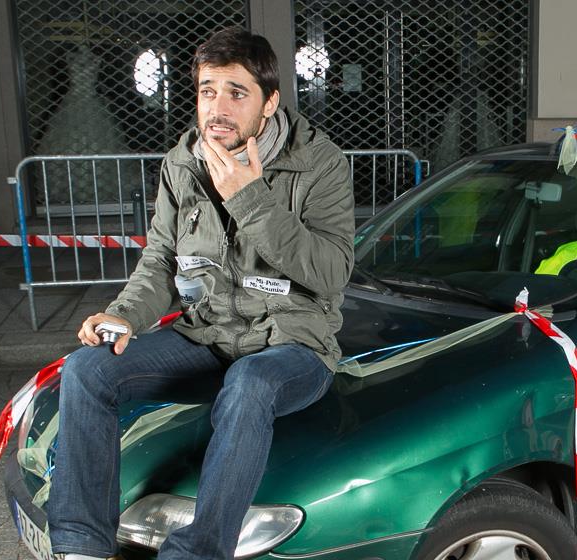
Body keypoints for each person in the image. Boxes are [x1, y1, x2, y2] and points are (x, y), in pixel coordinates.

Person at [47, 27, 355, 560]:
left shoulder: (319, 163)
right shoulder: (182, 163)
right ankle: (82, 546)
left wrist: (250, 198)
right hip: (208, 335)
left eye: (237, 93)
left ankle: (198, 552)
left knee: (251, 381)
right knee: (86, 369)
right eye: (208, 90)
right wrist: (124, 315)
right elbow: (161, 261)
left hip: (294, 344)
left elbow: (332, 272)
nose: (218, 108)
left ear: (269, 103)